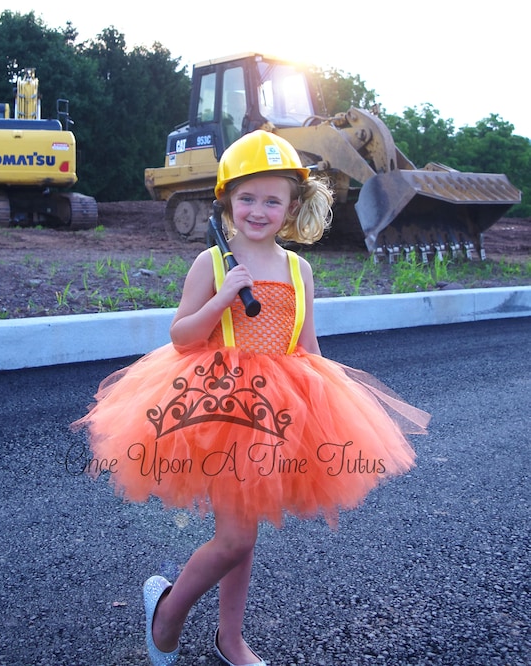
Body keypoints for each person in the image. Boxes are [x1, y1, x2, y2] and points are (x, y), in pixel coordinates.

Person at [72, 130, 430, 666]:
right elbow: (182, 336)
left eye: (271, 199)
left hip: (279, 408)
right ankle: (167, 610)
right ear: (226, 201)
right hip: (220, 407)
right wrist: (221, 297)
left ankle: (230, 638)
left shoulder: (298, 270)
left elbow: (306, 345)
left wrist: (324, 406)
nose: (258, 210)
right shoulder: (212, 265)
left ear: (291, 206)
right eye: (246, 198)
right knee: (236, 537)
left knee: (246, 528)